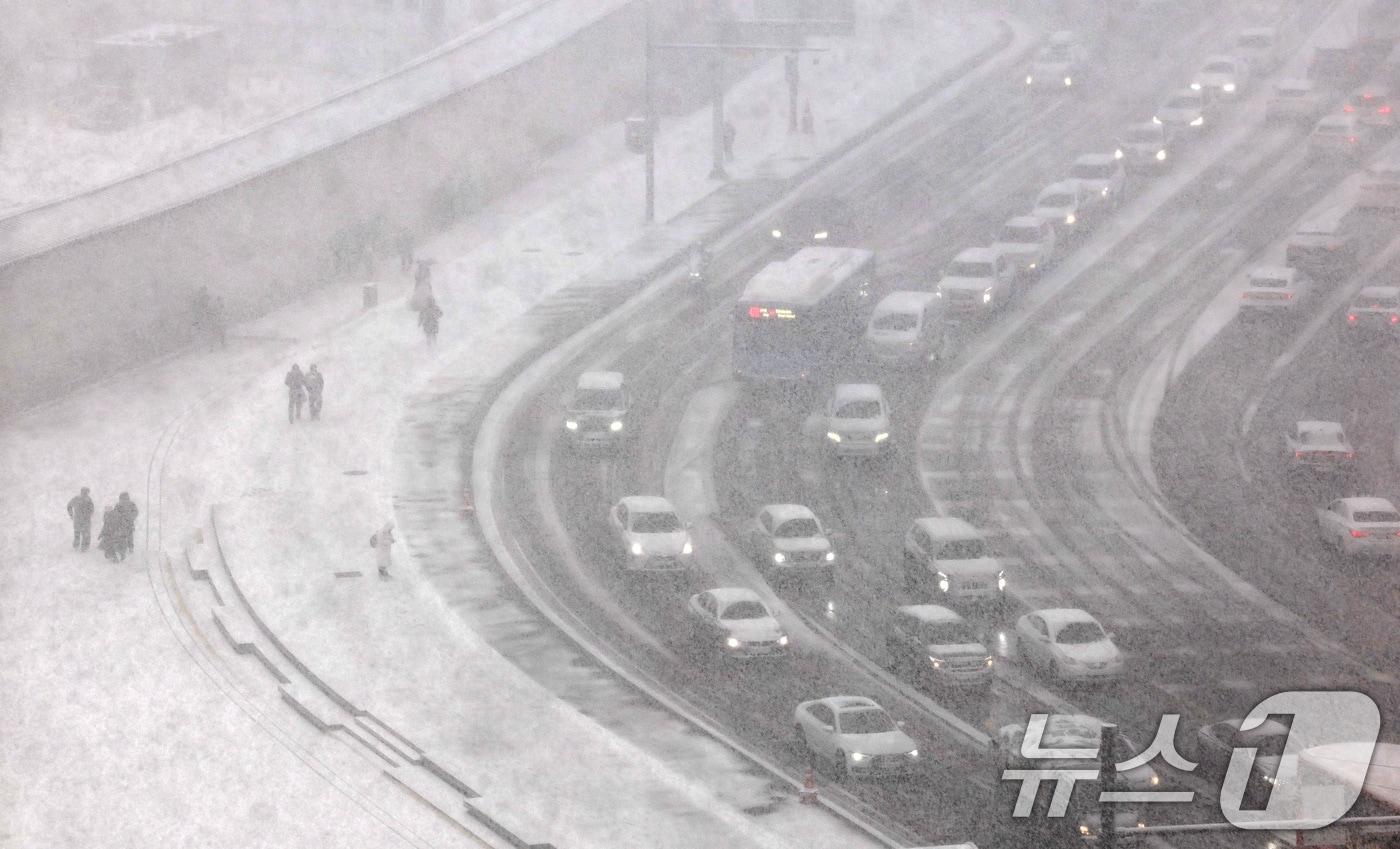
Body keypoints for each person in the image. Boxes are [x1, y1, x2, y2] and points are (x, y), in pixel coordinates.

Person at [67, 487, 94, 551]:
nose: (85, 494)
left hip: (81, 520)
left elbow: (69, 506)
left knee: (79, 533)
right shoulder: (84, 499)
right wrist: (71, 514)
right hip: (83, 520)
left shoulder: (81, 499)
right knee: (83, 534)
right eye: (85, 492)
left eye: (86, 492)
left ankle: (79, 546)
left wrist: (71, 514)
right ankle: (82, 547)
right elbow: (92, 509)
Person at [114, 492, 138, 559]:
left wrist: (129, 517)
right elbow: (135, 512)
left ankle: (127, 548)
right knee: (127, 536)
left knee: (125, 536)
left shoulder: (128, 504)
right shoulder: (121, 504)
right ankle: (128, 548)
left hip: (125, 523)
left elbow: (135, 512)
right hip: (125, 523)